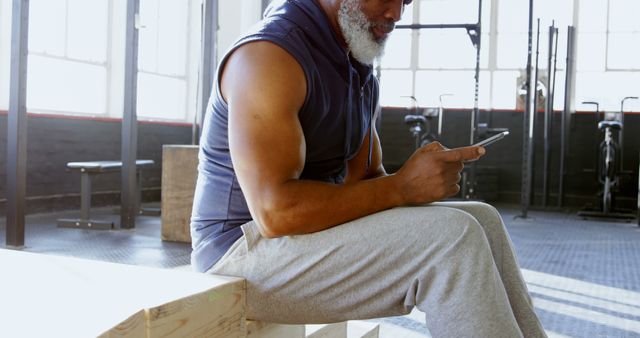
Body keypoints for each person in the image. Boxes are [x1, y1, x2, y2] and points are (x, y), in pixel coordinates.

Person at [190, 0, 547, 336]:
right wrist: (403, 187)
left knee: (483, 219)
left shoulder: (354, 67)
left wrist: (421, 181)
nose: (397, 13)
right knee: (453, 238)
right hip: (238, 252)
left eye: (405, 1)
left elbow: (367, 182)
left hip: (300, 241)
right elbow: (276, 213)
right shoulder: (270, 56)